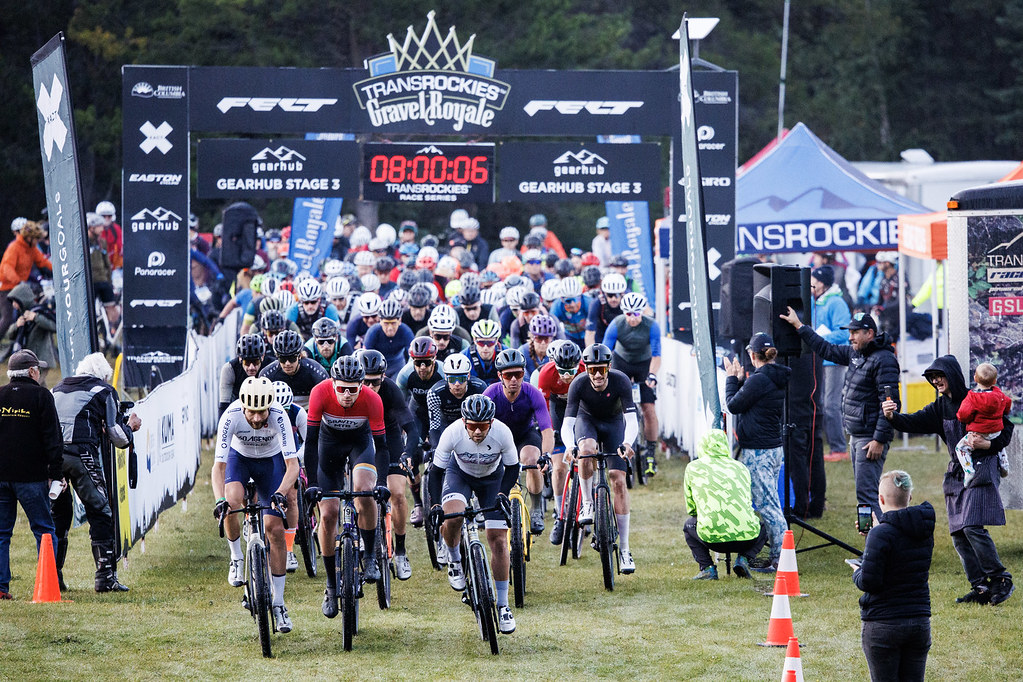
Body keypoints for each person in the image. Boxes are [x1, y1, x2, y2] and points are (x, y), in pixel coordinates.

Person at [882, 356, 1015, 605]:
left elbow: (1006, 428)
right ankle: (980, 588)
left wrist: (989, 444)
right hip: (957, 471)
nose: (936, 380)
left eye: (939, 375)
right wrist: (893, 417)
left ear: (952, 374)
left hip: (983, 466)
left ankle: (1000, 579)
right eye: (932, 377)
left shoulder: (977, 397)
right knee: (958, 533)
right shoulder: (939, 407)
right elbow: (912, 422)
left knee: (972, 526)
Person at [780, 308, 899, 521]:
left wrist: (879, 439)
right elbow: (826, 349)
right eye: (849, 332)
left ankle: (877, 548)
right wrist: (800, 326)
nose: (850, 337)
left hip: (870, 438)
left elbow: (890, 403)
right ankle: (873, 547)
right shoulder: (856, 353)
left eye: (855, 332)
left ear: (869, 333)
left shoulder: (884, 360)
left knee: (866, 496)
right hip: (857, 435)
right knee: (864, 495)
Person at [303, 356, 388, 618]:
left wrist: (382, 483)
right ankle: (331, 584)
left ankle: (371, 556)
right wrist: (314, 485)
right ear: (333, 383)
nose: (348, 395)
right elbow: (310, 444)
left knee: (365, 492)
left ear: (363, 385)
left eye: (354, 388)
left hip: (359, 445)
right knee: (328, 514)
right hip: (328, 448)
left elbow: (382, 447)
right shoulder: (319, 394)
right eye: (342, 388)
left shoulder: (372, 400)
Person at [212, 377, 299, 633]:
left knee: (274, 529)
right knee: (231, 501)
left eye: (263, 412)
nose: (258, 418)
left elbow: (293, 465)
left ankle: (279, 604)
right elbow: (219, 467)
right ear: (243, 406)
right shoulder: (231, 415)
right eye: (253, 412)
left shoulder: (279, 415)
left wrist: (281, 492)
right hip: (240, 460)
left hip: (270, 463)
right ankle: (237, 557)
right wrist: (219, 500)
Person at [429, 394, 520, 634]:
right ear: (464, 422)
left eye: (483, 426)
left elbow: (512, 467)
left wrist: (502, 494)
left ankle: (503, 605)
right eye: (472, 426)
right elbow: (436, 472)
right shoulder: (453, 432)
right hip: (459, 475)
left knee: (499, 540)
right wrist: (437, 506)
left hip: (493, 479)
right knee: (454, 516)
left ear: (491, 422)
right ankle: (454, 559)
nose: (478, 432)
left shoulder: (502, 432)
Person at [51, 353, 142, 592]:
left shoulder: (57, 388)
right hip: (81, 455)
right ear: (103, 375)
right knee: (101, 510)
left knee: (58, 516)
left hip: (51, 458)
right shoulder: (104, 390)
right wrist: (130, 428)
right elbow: (117, 437)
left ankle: (52, 577)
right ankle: (105, 578)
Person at [561, 343, 639, 574]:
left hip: (614, 423)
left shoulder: (621, 381)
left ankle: (624, 550)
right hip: (588, 421)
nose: (596, 375)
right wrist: (569, 446)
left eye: (601, 370)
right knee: (586, 449)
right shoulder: (578, 384)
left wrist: (627, 443)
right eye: (592, 369)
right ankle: (587, 504)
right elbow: (568, 424)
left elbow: (632, 419)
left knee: (617, 479)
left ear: (609, 368)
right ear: (586, 369)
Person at [852, 470, 934, 682]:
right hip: (918, 621)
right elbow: (900, 546)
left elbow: (869, 581)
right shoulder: (923, 529)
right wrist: (875, 534)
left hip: (884, 623)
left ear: (880, 499)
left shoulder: (880, 535)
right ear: (910, 498)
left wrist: (857, 572)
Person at [723, 332, 790, 571]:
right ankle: (777, 555)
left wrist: (731, 379)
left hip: (759, 451)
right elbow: (751, 402)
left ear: (752, 355)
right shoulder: (774, 377)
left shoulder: (759, 380)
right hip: (773, 448)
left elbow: (733, 405)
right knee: (770, 502)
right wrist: (742, 382)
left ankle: (780, 559)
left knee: (767, 505)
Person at [0, 350, 63, 600]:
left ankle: (1, 588)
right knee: (45, 530)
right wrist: (56, 474)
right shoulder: (41, 396)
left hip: (1, 476)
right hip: (31, 477)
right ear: (33, 372)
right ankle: (48, 585)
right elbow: (53, 439)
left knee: (2, 533)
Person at [355, 349, 418, 581]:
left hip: (389, 438)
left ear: (383, 376)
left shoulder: (391, 390)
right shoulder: (351, 391)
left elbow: (410, 429)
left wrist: (408, 453)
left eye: (375, 381)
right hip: (361, 439)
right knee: (360, 492)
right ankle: (365, 534)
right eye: (366, 382)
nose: (370, 387)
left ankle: (400, 551)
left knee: (398, 494)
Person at [682, 430, 769, 580]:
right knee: (765, 526)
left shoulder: (693, 467)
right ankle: (744, 559)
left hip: (712, 538)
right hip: (747, 537)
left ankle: (707, 568)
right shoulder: (741, 467)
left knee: (689, 525)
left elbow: (691, 509)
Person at [484, 349, 554, 535]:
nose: (514, 379)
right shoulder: (491, 393)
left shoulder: (532, 393)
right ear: (500, 375)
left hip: (525, 435)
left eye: (519, 374)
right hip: (498, 438)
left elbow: (547, 429)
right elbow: (479, 426)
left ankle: (537, 508)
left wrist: (546, 455)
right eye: (508, 375)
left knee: (531, 459)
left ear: (524, 373)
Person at [602, 291, 661, 477]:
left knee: (648, 408)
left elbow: (657, 355)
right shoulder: (616, 324)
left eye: (636, 314)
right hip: (622, 361)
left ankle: (651, 453)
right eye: (628, 314)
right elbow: (604, 351)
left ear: (642, 312)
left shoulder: (652, 325)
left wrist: (652, 374)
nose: (632, 318)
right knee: (617, 406)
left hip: (644, 364)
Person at [536, 341, 584, 545]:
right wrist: (549, 433)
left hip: (581, 407)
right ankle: (560, 514)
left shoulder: (584, 370)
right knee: (559, 468)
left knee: (586, 458)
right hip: (557, 409)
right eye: (562, 371)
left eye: (570, 370)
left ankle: (588, 504)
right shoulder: (546, 373)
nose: (566, 375)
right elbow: (543, 410)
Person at [810, 264, 852, 461]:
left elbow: (844, 332)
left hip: (833, 361)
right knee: (822, 403)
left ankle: (839, 448)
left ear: (822, 283)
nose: (811, 284)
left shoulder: (835, 303)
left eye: (814, 281)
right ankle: (833, 445)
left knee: (831, 404)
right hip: (820, 360)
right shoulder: (817, 302)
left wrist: (820, 338)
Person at [955, 363, 1012, 486]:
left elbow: (963, 414)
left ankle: (969, 470)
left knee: (961, 448)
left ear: (975, 378)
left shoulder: (972, 398)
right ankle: (1004, 463)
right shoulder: (1000, 395)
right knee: (999, 444)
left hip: (978, 433)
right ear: (995, 381)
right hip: (996, 431)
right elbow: (1008, 403)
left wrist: (964, 419)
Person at [1, 220, 51, 342]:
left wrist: (56, 271)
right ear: (29, 238)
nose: (37, 242)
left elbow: (42, 261)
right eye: (35, 239)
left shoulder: (32, 248)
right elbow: (6, 267)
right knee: (7, 319)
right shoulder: (14, 247)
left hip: (20, 288)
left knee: (25, 314)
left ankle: (19, 342)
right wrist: (19, 282)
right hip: (7, 288)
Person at [259, 330, 329, 410]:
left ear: (299, 356)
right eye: (282, 359)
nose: (287, 363)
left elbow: (327, 401)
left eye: (291, 358)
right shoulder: (266, 374)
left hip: (309, 411)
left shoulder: (315, 371)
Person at [219, 334, 273, 417]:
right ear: (240, 359)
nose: (251, 367)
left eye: (255, 362)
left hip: (266, 410)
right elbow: (224, 405)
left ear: (262, 357)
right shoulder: (229, 369)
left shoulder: (272, 366)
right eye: (247, 362)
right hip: (240, 410)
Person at [363, 299, 415, 379]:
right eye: (386, 323)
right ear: (380, 321)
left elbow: (413, 357)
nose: (390, 328)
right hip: (377, 365)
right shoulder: (373, 332)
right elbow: (365, 357)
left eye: (393, 323)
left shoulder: (406, 331)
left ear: (399, 321)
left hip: (397, 365)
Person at [584, 273, 626, 347]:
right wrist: (591, 355)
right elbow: (590, 333)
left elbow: (646, 313)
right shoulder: (596, 303)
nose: (613, 299)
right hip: (602, 336)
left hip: (622, 336)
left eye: (617, 295)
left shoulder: (628, 300)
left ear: (622, 294)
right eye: (610, 295)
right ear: (604, 294)